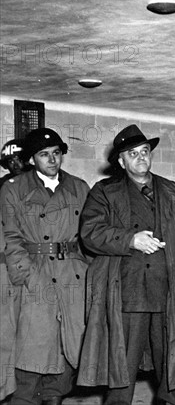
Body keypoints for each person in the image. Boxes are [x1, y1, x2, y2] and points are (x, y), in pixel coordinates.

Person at [76, 125, 175, 405]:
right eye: (133, 154)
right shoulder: (105, 191)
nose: (141, 158)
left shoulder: (170, 190)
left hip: (167, 287)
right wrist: (130, 240)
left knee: (173, 359)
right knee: (122, 365)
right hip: (127, 290)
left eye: (145, 151)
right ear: (121, 161)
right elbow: (90, 233)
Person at [1, 128, 90, 405]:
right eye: (44, 155)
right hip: (35, 271)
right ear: (32, 159)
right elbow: (10, 236)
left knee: (69, 343)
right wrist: (25, 275)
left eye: (56, 153)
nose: (52, 160)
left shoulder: (79, 186)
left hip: (72, 273)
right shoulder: (14, 188)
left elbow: (89, 234)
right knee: (33, 344)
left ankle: (55, 397)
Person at [0, 138, 29, 401]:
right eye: (10, 161)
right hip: (8, 268)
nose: (16, 164)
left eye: (20, 158)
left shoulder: (42, 186)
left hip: (40, 267)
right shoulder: (4, 188)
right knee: (7, 332)